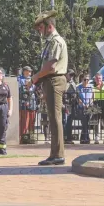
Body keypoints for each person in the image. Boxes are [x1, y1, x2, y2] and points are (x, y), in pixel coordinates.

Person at [32, 10, 68, 166]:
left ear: (49, 26)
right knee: (53, 119)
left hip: (54, 80)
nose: (39, 30)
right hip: (50, 81)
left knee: (55, 119)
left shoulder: (55, 41)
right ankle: (54, 154)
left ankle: (58, 154)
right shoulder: (50, 41)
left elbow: (51, 66)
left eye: (41, 27)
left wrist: (36, 76)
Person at [18, 66, 36, 143]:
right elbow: (19, 89)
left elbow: (35, 89)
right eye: (28, 71)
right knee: (24, 121)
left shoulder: (33, 79)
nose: (29, 73)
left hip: (32, 101)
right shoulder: (19, 79)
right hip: (23, 102)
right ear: (24, 71)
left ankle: (31, 137)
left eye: (30, 71)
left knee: (32, 120)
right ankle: (23, 137)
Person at [77, 74, 93, 144]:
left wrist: (89, 103)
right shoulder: (79, 87)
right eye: (85, 79)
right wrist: (83, 104)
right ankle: (86, 138)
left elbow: (93, 97)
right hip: (82, 106)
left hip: (89, 106)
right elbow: (77, 97)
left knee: (87, 122)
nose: (86, 81)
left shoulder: (91, 87)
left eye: (87, 80)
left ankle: (83, 138)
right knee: (84, 122)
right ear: (82, 80)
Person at [63, 69, 77, 144]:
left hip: (71, 105)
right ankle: (64, 137)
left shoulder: (73, 83)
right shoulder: (63, 82)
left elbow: (75, 93)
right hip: (65, 104)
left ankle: (69, 138)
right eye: (70, 75)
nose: (71, 77)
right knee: (64, 121)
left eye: (72, 75)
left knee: (69, 122)